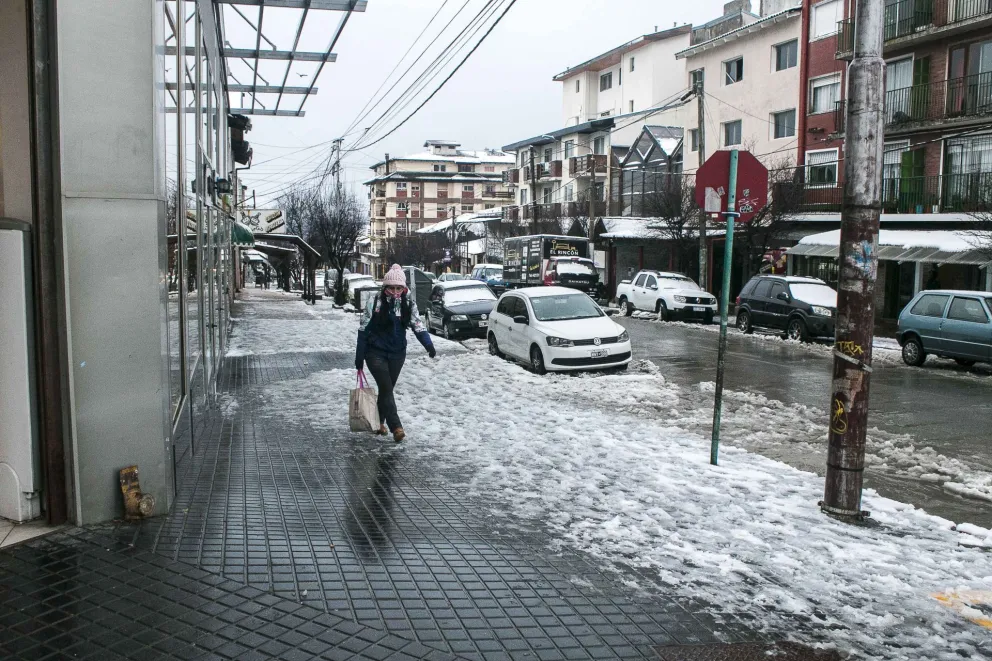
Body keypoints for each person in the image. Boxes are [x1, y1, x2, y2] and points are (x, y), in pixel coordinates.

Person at [355, 264, 435, 442]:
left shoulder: (408, 303)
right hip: (375, 352)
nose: (395, 291)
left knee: (386, 390)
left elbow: (417, 325)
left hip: (398, 353)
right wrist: (359, 355)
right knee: (386, 387)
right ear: (385, 287)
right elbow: (363, 329)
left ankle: (378, 422)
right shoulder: (374, 302)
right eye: (391, 287)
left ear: (404, 288)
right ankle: (396, 426)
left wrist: (428, 345)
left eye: (399, 287)